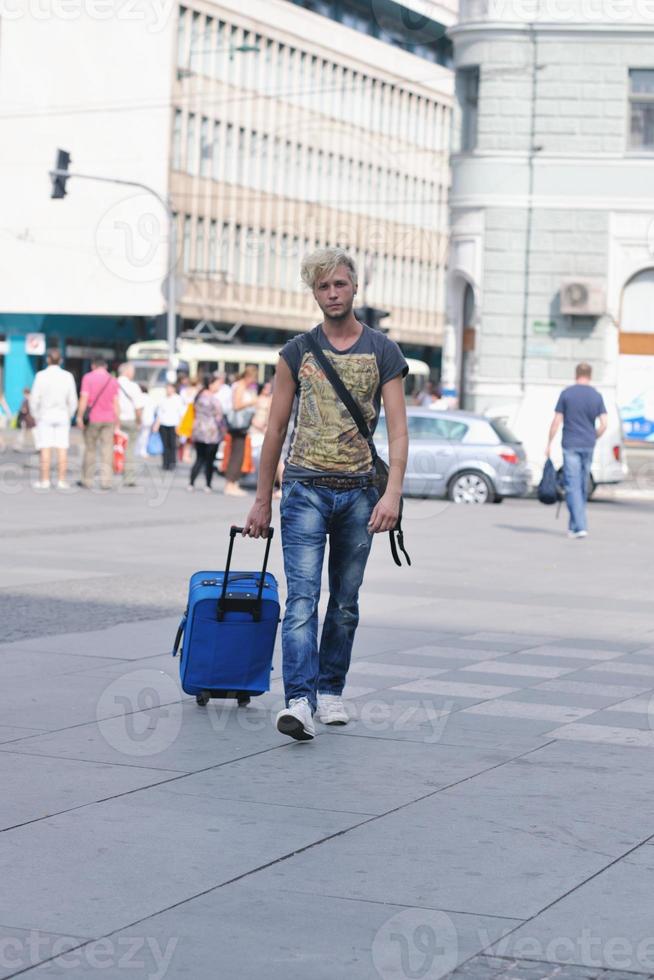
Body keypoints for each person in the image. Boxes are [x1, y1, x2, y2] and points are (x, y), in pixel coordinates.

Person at [243, 246, 409, 741]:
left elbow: (398, 432)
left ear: (354, 287)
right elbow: (274, 430)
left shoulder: (383, 351)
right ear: (313, 293)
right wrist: (260, 499)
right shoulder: (297, 352)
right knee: (301, 600)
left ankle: (330, 689)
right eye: (322, 287)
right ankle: (299, 700)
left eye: (339, 284)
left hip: (360, 494)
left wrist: (392, 495)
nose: (332, 293)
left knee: (345, 602)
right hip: (304, 491)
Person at [546, 362, 608, 539]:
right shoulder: (596, 396)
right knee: (581, 485)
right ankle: (573, 526)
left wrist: (549, 443)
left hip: (571, 444)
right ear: (590, 375)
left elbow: (556, 421)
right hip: (588, 444)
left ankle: (580, 526)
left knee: (572, 486)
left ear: (576, 374)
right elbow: (604, 424)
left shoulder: (567, 394)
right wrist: (594, 436)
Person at [29, 349, 78, 489]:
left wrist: (36, 415)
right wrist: (70, 415)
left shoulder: (41, 376)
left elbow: (34, 399)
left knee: (45, 447)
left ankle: (45, 480)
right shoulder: (67, 376)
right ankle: (61, 480)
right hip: (62, 415)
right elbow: (73, 399)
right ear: (61, 360)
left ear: (48, 360)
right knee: (62, 447)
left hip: (45, 415)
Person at [77, 357, 119, 490]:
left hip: (93, 419)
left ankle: (87, 480)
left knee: (90, 449)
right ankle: (106, 481)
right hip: (109, 418)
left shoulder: (88, 378)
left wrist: (79, 416)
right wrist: (117, 420)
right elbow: (116, 402)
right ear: (105, 366)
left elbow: (84, 398)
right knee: (107, 449)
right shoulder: (112, 380)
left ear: (93, 365)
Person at [224, 364, 259, 497]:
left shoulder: (240, 386)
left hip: (242, 425)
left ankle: (233, 482)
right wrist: (252, 402)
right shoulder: (240, 386)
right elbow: (237, 405)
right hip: (238, 425)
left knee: (238, 454)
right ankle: (230, 483)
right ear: (249, 376)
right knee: (237, 455)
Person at [188, 374, 225, 492]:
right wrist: (223, 431)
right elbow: (219, 417)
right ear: (211, 384)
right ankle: (207, 485)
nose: (219, 386)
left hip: (198, 430)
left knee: (199, 458)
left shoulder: (198, 396)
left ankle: (191, 482)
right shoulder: (214, 400)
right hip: (211, 432)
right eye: (217, 384)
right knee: (209, 460)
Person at [117, 363, 145, 487]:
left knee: (111, 447)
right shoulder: (134, 386)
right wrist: (139, 420)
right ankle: (128, 478)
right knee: (129, 449)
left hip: (115, 420)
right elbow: (138, 407)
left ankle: (106, 475)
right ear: (127, 372)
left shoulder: (112, 384)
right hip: (130, 420)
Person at [153, 382, 184, 471]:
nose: (168, 390)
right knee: (165, 445)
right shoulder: (163, 399)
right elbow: (160, 413)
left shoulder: (178, 399)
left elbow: (181, 414)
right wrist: (156, 425)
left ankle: (172, 462)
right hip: (163, 424)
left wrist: (179, 425)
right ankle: (165, 463)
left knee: (172, 444)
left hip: (173, 424)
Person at [136, 384, 155, 458]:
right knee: (145, 435)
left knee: (139, 435)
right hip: (149, 419)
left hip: (142, 419)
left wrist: (138, 419)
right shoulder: (150, 398)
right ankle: (143, 450)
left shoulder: (140, 397)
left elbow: (139, 409)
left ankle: (138, 450)